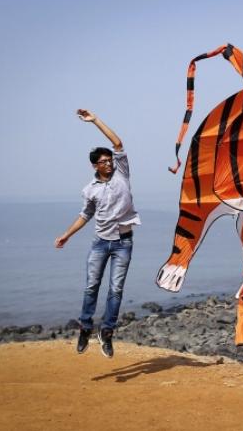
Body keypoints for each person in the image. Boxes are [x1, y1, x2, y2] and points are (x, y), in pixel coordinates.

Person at [55, 109, 140, 358]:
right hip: (100, 243)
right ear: (95, 166)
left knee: (116, 290)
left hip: (124, 242)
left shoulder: (122, 172)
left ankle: (107, 333)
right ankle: (85, 327)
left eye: (110, 160)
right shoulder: (89, 189)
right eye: (104, 161)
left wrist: (95, 121)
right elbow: (85, 215)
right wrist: (66, 235)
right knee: (92, 287)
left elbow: (118, 143)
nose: (109, 163)